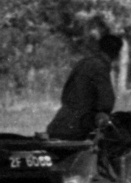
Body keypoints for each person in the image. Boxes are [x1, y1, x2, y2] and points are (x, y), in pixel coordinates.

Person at [47, 20, 122, 160]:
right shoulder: (100, 67)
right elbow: (106, 102)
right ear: (116, 54)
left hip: (59, 123)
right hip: (78, 129)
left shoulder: (84, 63)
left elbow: (66, 94)